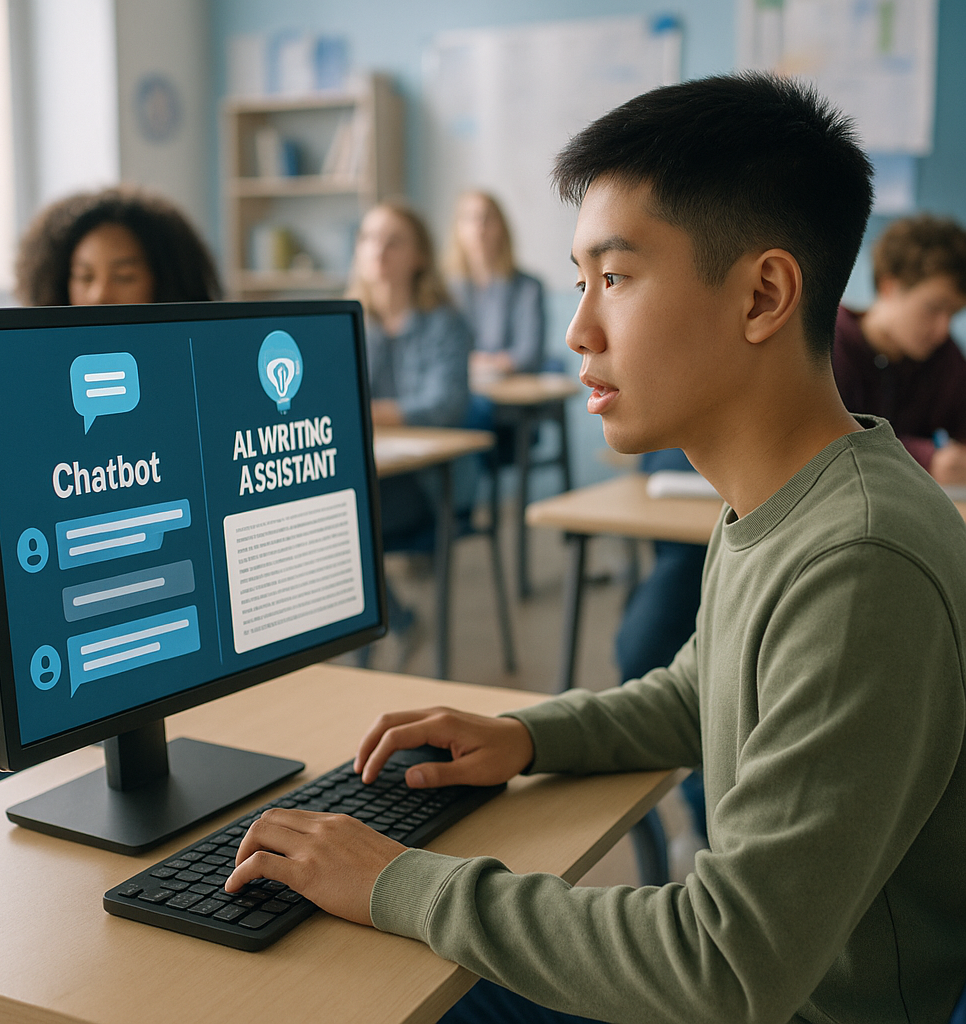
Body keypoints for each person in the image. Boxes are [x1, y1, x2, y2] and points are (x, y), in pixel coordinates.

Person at [224, 74, 966, 1023]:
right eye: (581, 282)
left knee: (377, 991)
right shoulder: (788, 500)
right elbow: (705, 691)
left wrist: (398, 881)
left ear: (763, 295)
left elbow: (725, 967)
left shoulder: (858, 560)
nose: (578, 330)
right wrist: (528, 736)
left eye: (614, 279)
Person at [0, 185, 221, 782]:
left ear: (162, 278)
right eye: (84, 275)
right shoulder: (42, 377)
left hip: (122, 586)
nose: (99, 294)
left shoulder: (183, 376)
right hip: (39, 572)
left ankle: (60, 786)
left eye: (124, 274)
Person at [346, 202, 472, 657]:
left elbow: (445, 405)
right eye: (368, 238)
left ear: (419, 256)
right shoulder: (350, 320)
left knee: (345, 519)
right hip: (370, 471)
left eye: (393, 240)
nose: (378, 250)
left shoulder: (444, 322)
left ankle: (372, 644)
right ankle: (397, 622)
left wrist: (370, 412)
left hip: (423, 483)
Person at [832, 213, 966, 484]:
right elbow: (829, 447)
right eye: (933, 308)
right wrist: (926, 459)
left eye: (952, 314)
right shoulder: (829, 343)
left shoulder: (944, 355)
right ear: (889, 286)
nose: (943, 329)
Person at [447, 191, 545, 379]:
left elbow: (528, 355)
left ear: (501, 227)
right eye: (470, 219)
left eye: (486, 218)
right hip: (462, 395)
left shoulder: (529, 288)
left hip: (511, 393)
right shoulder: (446, 290)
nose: (479, 227)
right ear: (457, 229)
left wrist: (474, 363)